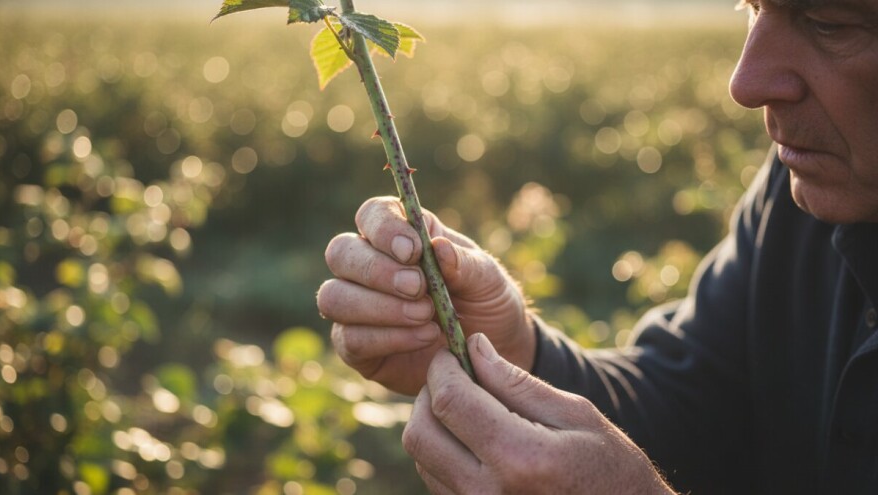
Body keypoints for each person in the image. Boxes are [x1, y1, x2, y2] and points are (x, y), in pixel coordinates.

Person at [316, 0, 878, 492]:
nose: (746, 82)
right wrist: (513, 354)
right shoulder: (803, 192)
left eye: (828, 23)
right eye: (752, 8)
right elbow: (700, 402)